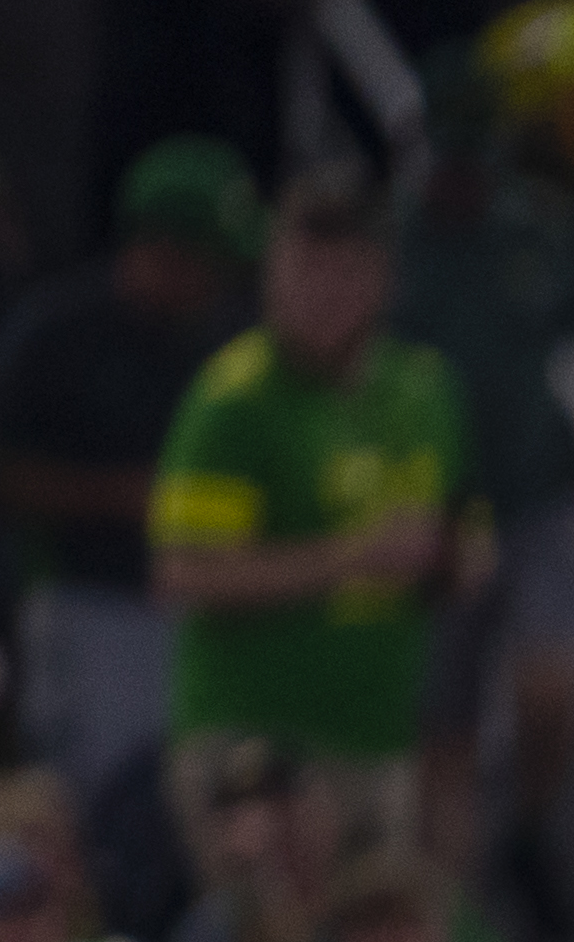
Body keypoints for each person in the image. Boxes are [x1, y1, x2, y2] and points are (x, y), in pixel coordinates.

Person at [148, 168, 467, 897]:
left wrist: (450, 560)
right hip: (257, 747)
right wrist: (351, 558)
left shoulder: (425, 391)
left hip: (379, 736)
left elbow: (449, 535)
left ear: (379, 278)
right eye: (300, 270)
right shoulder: (235, 400)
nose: (318, 292)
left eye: (340, 271)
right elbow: (184, 572)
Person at [0, 141, 251, 817]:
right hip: (87, 596)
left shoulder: (226, 337)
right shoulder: (57, 334)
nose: (216, 281)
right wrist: (124, 496)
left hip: (212, 606)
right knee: (99, 792)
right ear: (159, 248)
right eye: (204, 262)